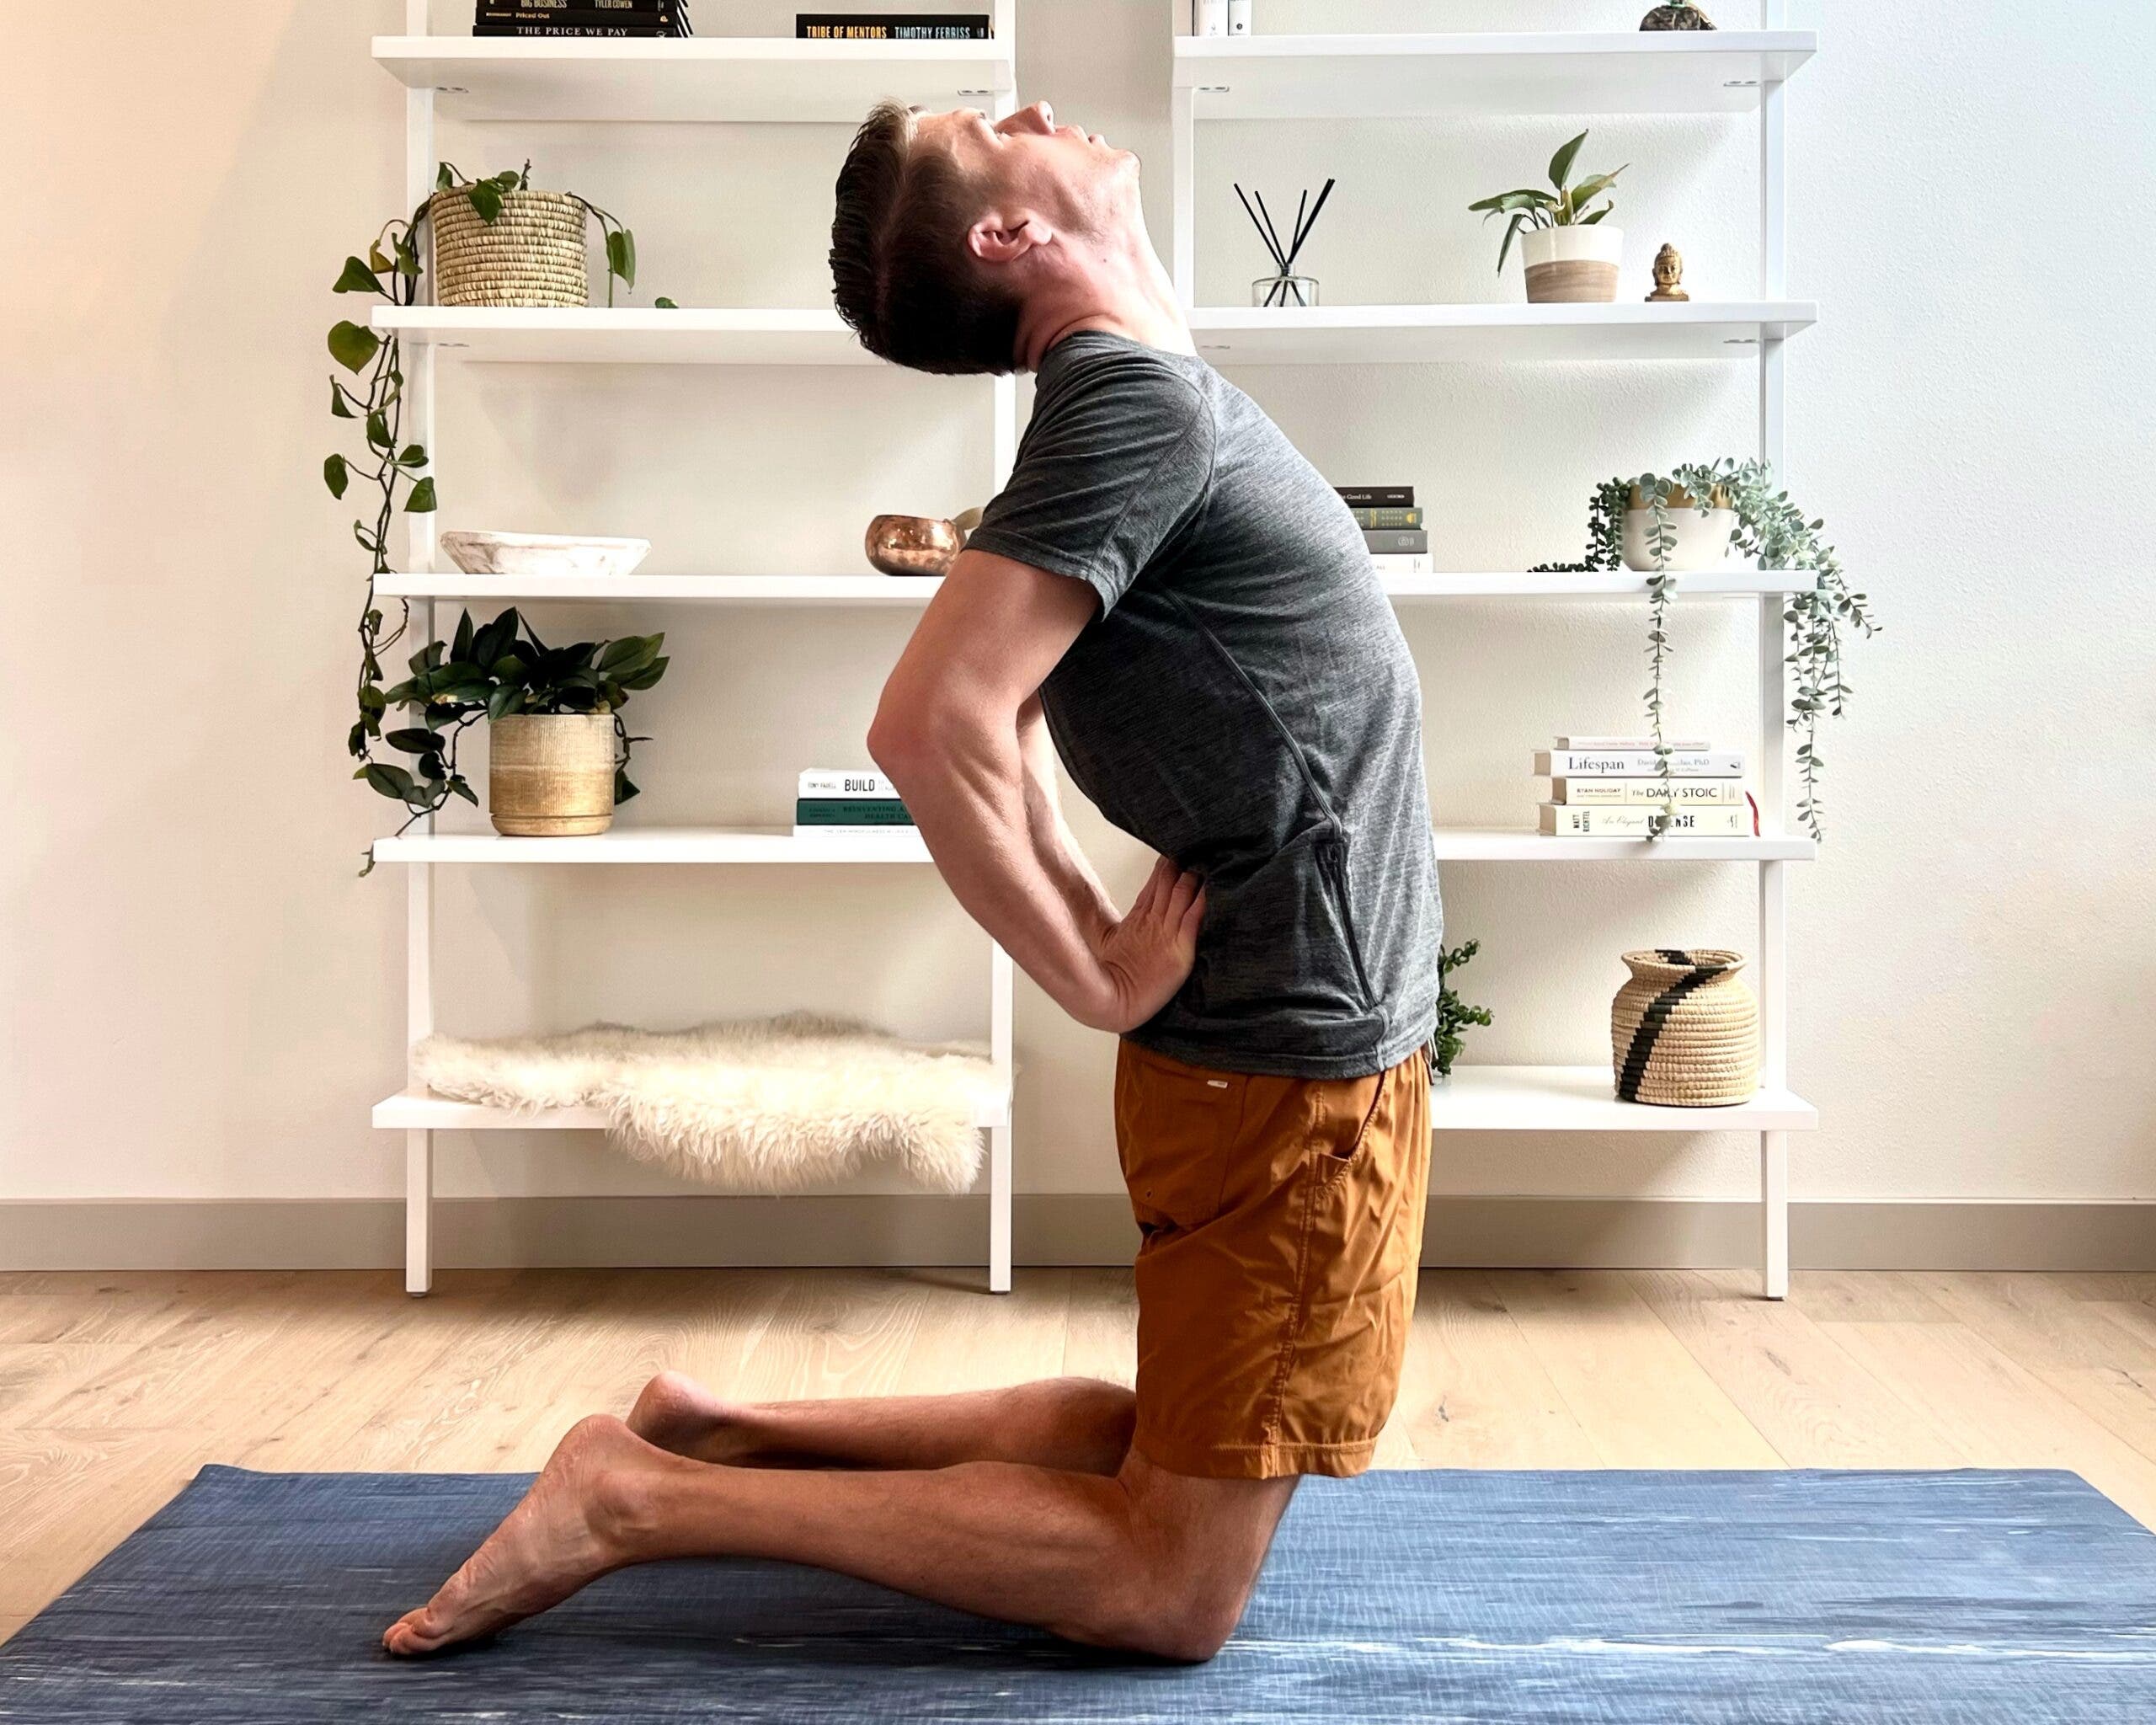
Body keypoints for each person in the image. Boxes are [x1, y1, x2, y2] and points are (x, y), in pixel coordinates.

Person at [385, 98, 1439, 1665]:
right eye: (989, 124)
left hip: (1298, 1030)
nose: (1036, 109)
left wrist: (1100, 926)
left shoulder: (1137, 399)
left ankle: (713, 1431)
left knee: (1164, 1442)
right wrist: (1087, 959)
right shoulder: (1132, 407)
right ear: (1006, 238)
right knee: (1169, 1584)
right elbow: (933, 722)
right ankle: (635, 1498)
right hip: (1294, 1051)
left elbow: (1001, 710)